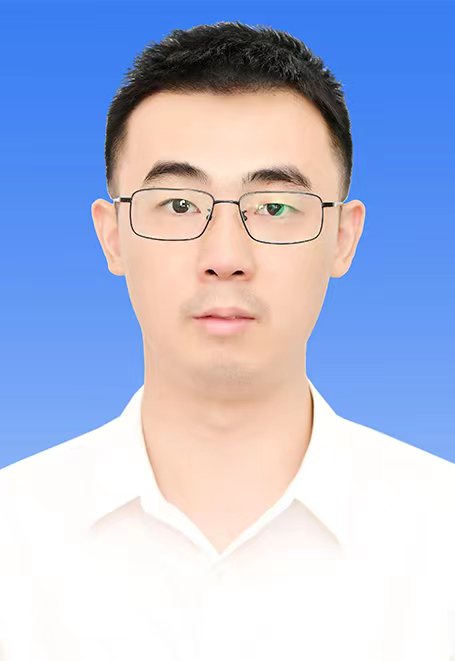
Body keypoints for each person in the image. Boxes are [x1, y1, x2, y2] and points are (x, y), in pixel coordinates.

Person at [1, 20, 454, 661]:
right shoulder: (14, 536)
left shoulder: (440, 534)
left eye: (274, 208)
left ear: (344, 238)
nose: (225, 258)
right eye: (179, 205)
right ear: (112, 236)